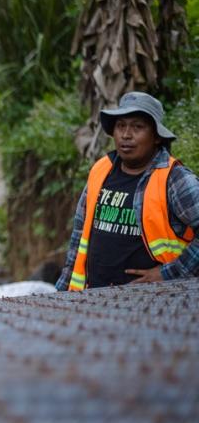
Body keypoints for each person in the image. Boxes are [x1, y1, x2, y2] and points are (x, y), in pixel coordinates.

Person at [56, 92, 199, 291]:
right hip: (92, 299)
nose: (126, 135)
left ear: (157, 137)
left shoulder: (174, 179)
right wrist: (62, 291)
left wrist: (167, 274)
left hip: (156, 300)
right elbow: (79, 236)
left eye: (137, 127)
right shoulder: (101, 170)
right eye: (121, 126)